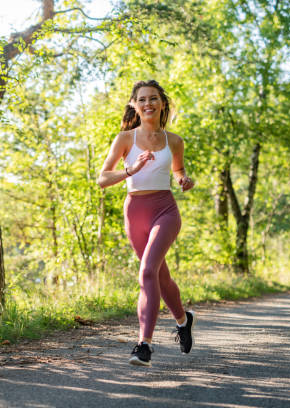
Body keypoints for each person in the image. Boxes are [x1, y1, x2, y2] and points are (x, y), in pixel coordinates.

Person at [97, 80, 195, 367]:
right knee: (158, 276)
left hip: (165, 210)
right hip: (134, 212)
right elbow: (103, 179)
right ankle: (183, 320)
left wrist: (183, 180)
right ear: (134, 105)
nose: (148, 103)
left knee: (147, 271)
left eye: (153, 99)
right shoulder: (125, 139)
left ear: (162, 103)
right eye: (142, 99)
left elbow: (178, 170)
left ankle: (144, 345)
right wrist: (131, 169)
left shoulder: (174, 141)